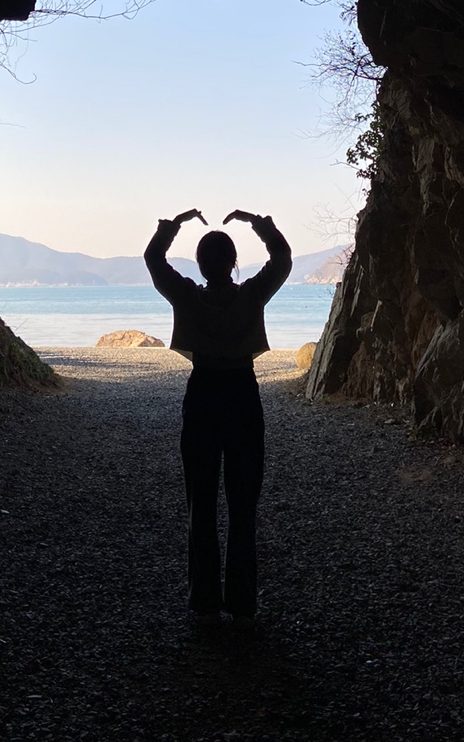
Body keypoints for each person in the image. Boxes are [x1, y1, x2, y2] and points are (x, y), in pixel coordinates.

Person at [143, 207, 293, 625]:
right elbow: (282, 259)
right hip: (243, 392)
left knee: (201, 499)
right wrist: (259, 224)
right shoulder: (251, 295)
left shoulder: (187, 296)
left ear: (201, 264)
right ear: (233, 262)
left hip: (203, 392)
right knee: (243, 503)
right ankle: (242, 602)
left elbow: (154, 260)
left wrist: (172, 226)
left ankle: (205, 601)